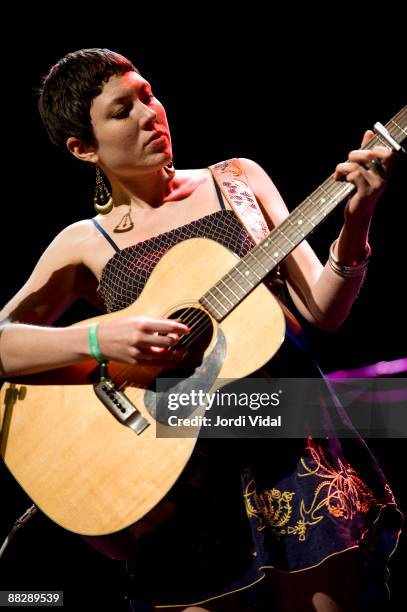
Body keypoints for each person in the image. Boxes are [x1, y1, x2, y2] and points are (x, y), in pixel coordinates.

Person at [0, 48, 402, 611]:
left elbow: (323, 311)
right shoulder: (82, 244)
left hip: (288, 447)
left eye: (148, 94)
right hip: (180, 485)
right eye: (122, 110)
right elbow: (5, 340)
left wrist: (358, 218)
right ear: (83, 147)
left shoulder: (237, 181)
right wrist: (99, 340)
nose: (150, 113)